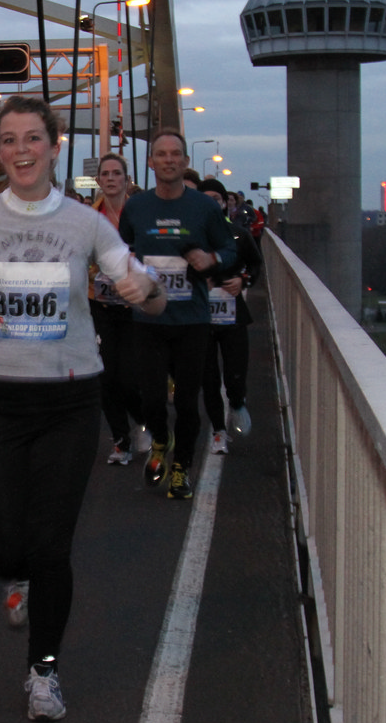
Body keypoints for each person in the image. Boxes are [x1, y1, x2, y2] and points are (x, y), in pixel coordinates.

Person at [0, 95, 164, 722]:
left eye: (33, 138)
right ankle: (14, 575)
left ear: (54, 146)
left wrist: (144, 287)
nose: (22, 150)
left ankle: (44, 672)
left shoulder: (85, 223)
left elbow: (148, 294)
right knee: (1, 545)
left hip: (70, 397)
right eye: (10, 140)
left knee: (52, 544)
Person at [119, 131, 238, 499]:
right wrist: (129, 269)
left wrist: (211, 259)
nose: (168, 160)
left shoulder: (204, 207)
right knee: (152, 400)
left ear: (185, 162)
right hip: (149, 320)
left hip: (192, 321)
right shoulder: (137, 207)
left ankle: (182, 468)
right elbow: (121, 248)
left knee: (187, 402)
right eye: (161, 154)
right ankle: (160, 438)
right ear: (150, 162)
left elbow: (230, 249)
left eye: (175, 154)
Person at [89, 152, 149, 465]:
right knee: (105, 376)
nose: (111, 179)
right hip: (99, 304)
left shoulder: (139, 213)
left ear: (127, 179)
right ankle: (120, 441)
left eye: (116, 173)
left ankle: (142, 419)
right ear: (98, 180)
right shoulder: (90, 216)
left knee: (128, 377)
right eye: (106, 174)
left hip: (133, 306)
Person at [198, 178, 262, 453]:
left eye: (217, 198)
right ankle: (218, 431)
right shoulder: (190, 235)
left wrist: (243, 280)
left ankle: (237, 402)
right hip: (201, 317)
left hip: (232, 314)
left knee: (236, 370)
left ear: (225, 203)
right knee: (209, 377)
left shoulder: (238, 234)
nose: (211, 203)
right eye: (205, 198)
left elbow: (255, 264)